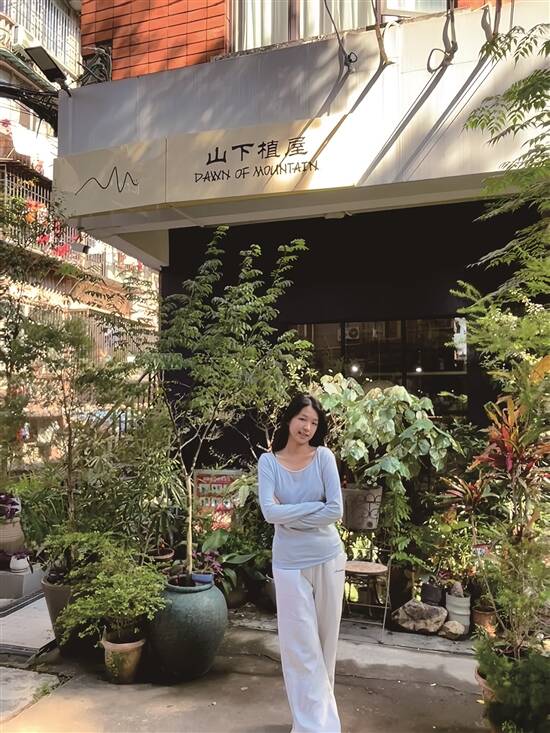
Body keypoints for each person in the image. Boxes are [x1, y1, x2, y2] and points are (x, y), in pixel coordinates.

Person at [258, 394, 346, 733]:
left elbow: (335, 510)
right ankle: (313, 727)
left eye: (313, 422)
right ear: (289, 419)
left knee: (324, 647)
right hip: (289, 564)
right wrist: (314, 507)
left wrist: (290, 516)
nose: (307, 427)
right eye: (302, 419)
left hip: (328, 557)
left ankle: (320, 723)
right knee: (300, 649)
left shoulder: (323, 457)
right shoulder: (269, 463)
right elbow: (269, 512)